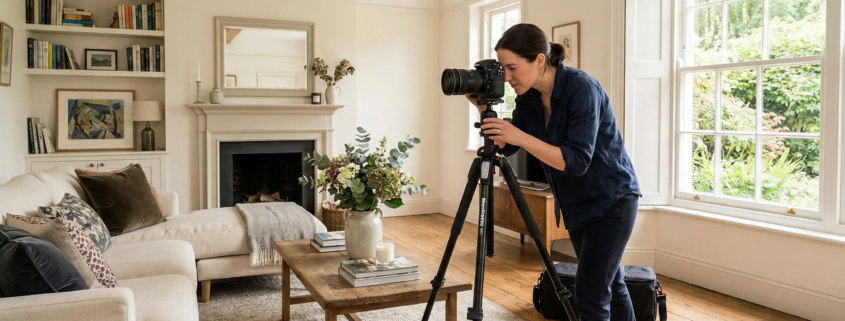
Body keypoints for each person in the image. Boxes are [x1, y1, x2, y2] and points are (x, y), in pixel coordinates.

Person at [468, 23, 641, 321]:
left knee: (590, 296)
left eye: (512, 68)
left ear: (538, 60)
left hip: (612, 200)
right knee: (610, 283)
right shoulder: (529, 96)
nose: (506, 78)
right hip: (576, 203)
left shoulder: (581, 88)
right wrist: (484, 109)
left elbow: (576, 161)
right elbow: (508, 147)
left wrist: (518, 136)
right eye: (502, 69)